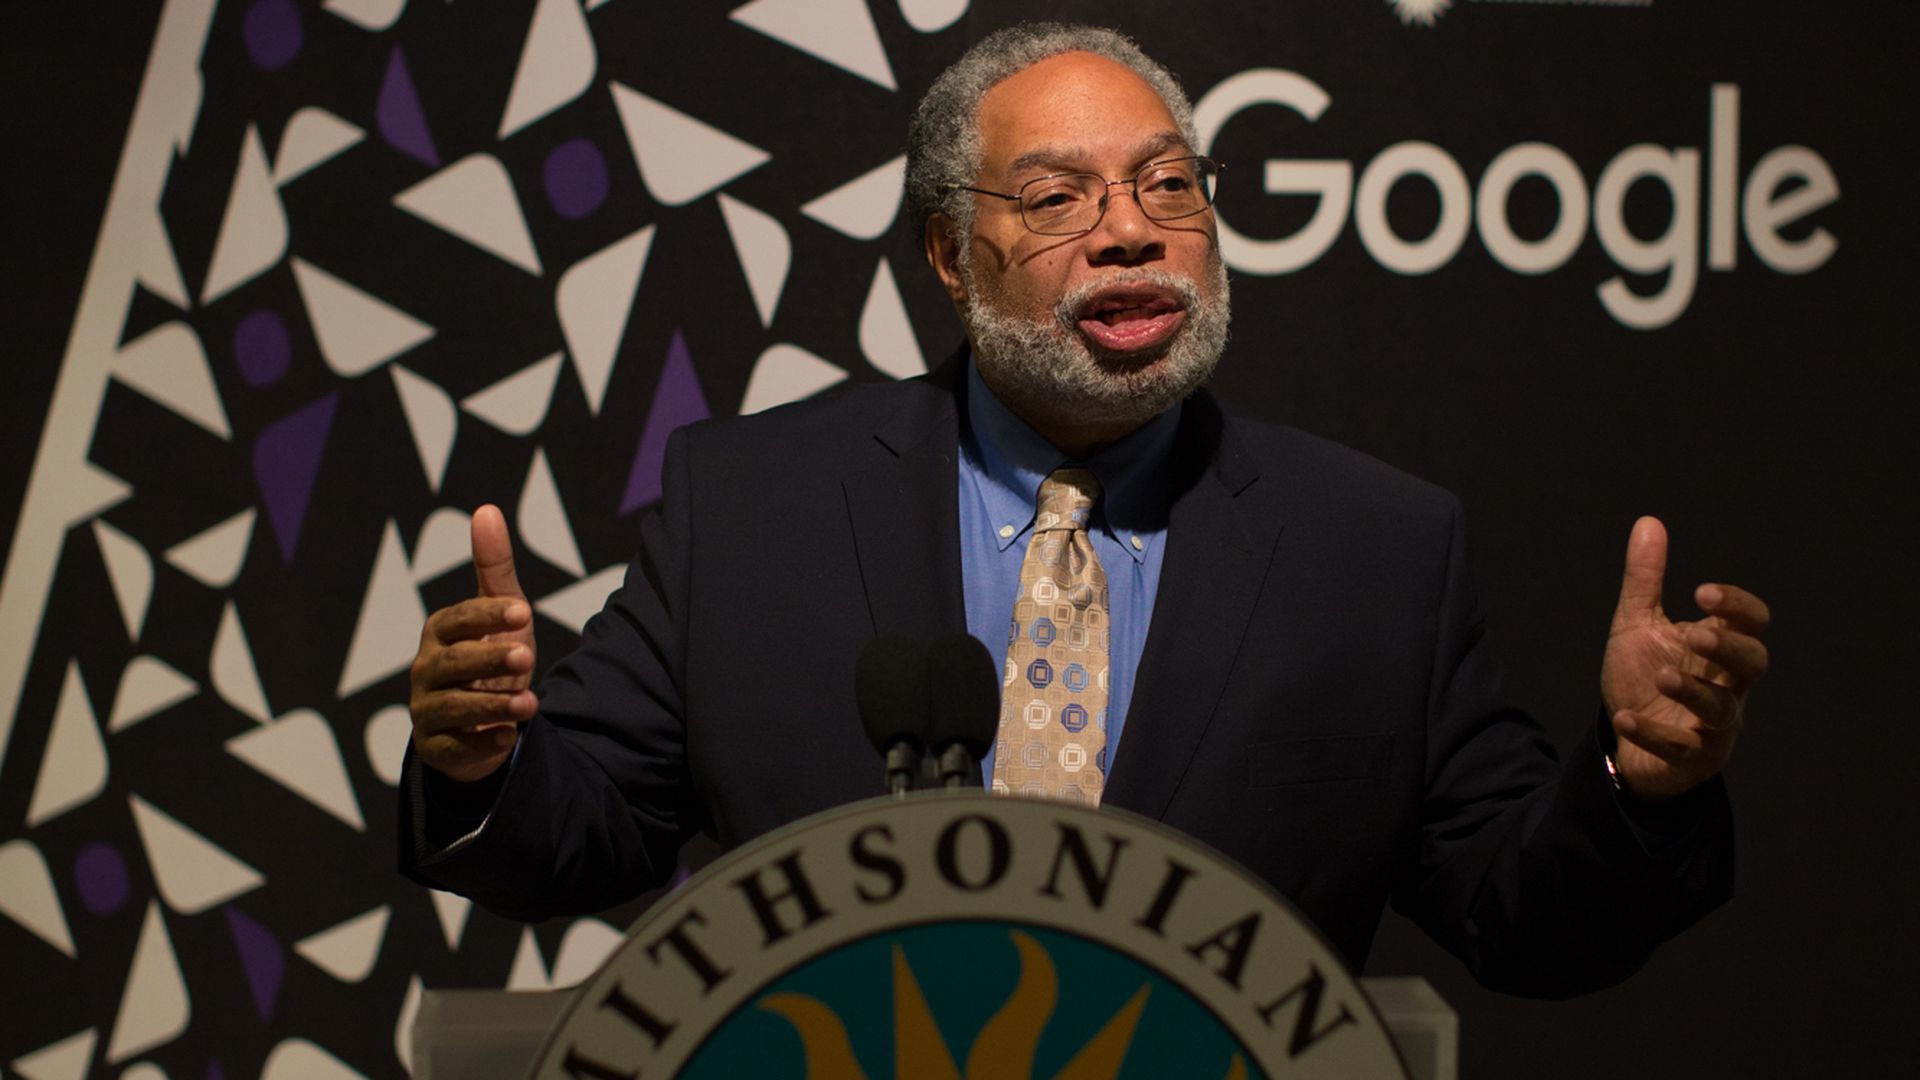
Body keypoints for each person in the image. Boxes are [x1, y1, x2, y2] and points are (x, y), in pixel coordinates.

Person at [400, 24, 1769, 996]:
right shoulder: (750, 506)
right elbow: (574, 838)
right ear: (949, 252)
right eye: (1058, 196)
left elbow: (1518, 918)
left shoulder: (1380, 550)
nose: (1130, 229)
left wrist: (1634, 789)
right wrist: (482, 766)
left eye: (1169, 184)